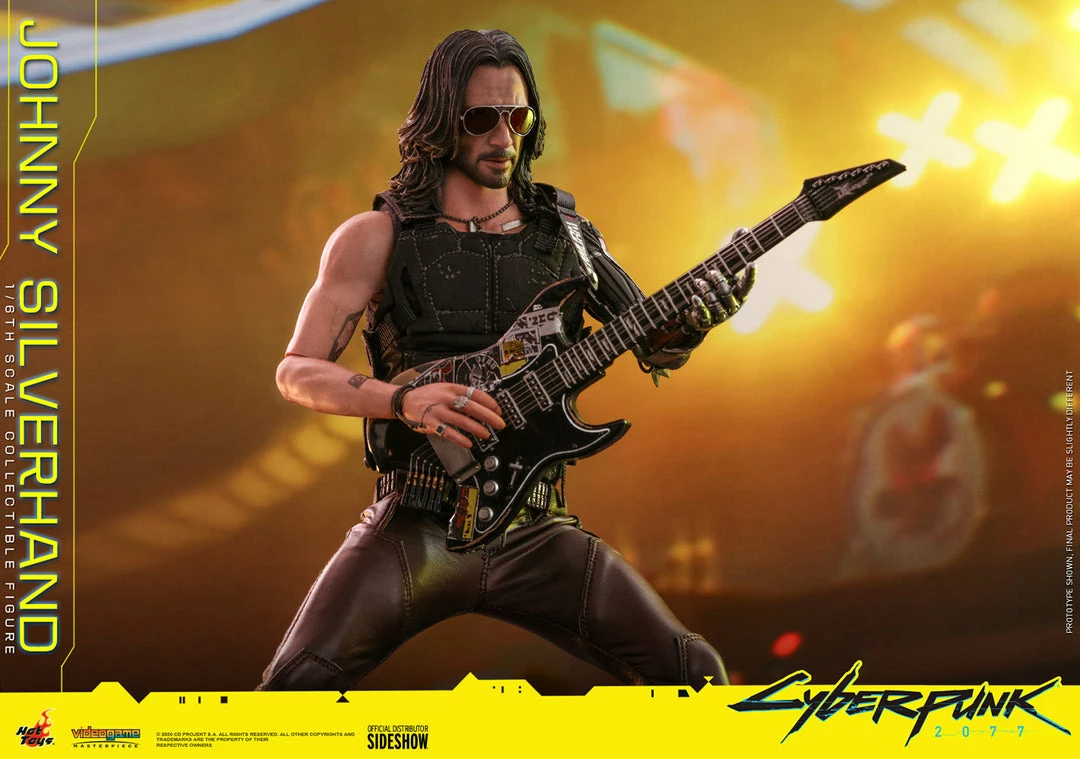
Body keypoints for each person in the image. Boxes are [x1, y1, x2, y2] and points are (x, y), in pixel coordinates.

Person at [258, 29, 754, 691]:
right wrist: (402, 400)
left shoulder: (569, 236)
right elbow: (296, 371)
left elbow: (652, 340)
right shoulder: (376, 235)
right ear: (442, 121)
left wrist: (696, 322)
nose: (503, 136)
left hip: (536, 531)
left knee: (695, 673)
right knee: (293, 690)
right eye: (481, 119)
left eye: (517, 118)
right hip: (417, 523)